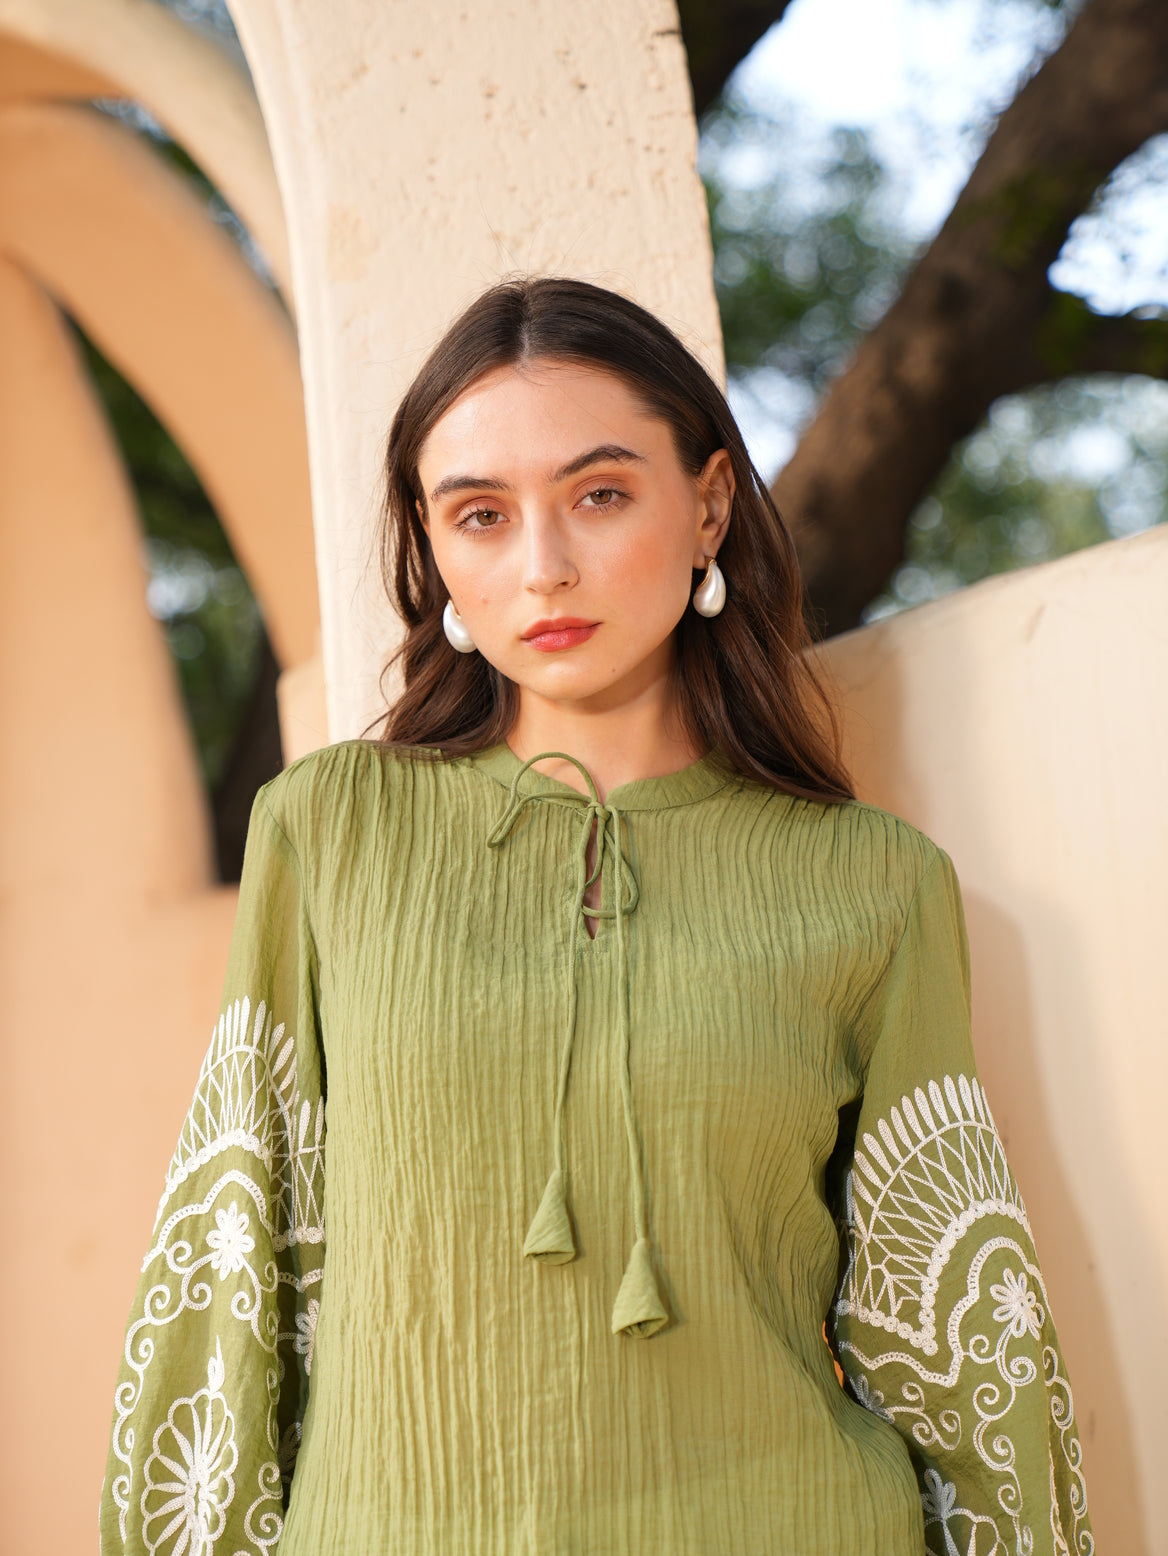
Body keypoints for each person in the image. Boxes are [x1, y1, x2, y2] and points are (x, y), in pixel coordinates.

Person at [100, 276, 1092, 1556]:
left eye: (600, 494)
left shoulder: (871, 882)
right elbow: (230, 1284)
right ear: (432, 546)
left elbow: (959, 1345)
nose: (544, 566)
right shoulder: (330, 832)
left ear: (710, 505)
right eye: (481, 514)